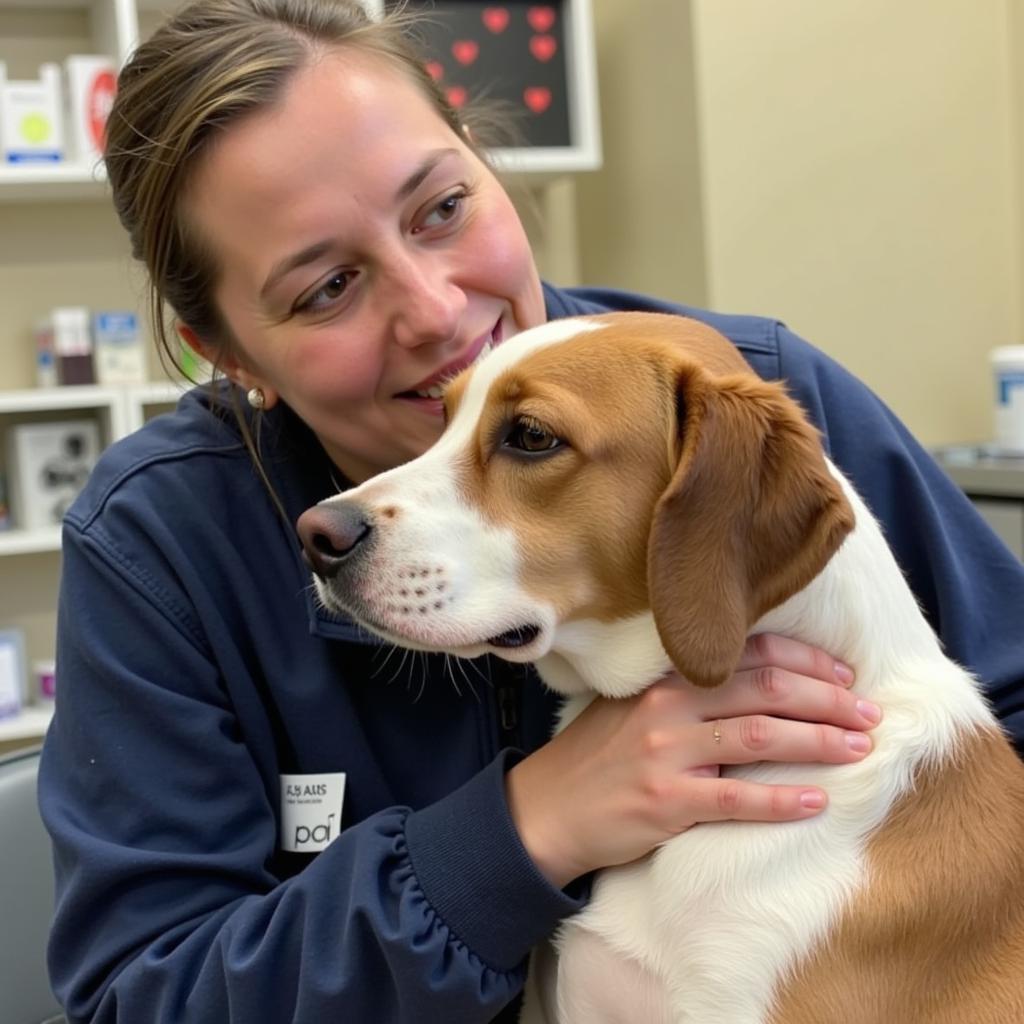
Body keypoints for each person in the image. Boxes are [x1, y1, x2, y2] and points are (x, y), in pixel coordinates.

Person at [37, 1, 1024, 1022]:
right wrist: (519, 830)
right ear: (230, 354)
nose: (434, 309)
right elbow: (144, 993)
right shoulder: (157, 543)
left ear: (483, 161)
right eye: (328, 286)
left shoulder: (743, 400)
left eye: (441, 207)